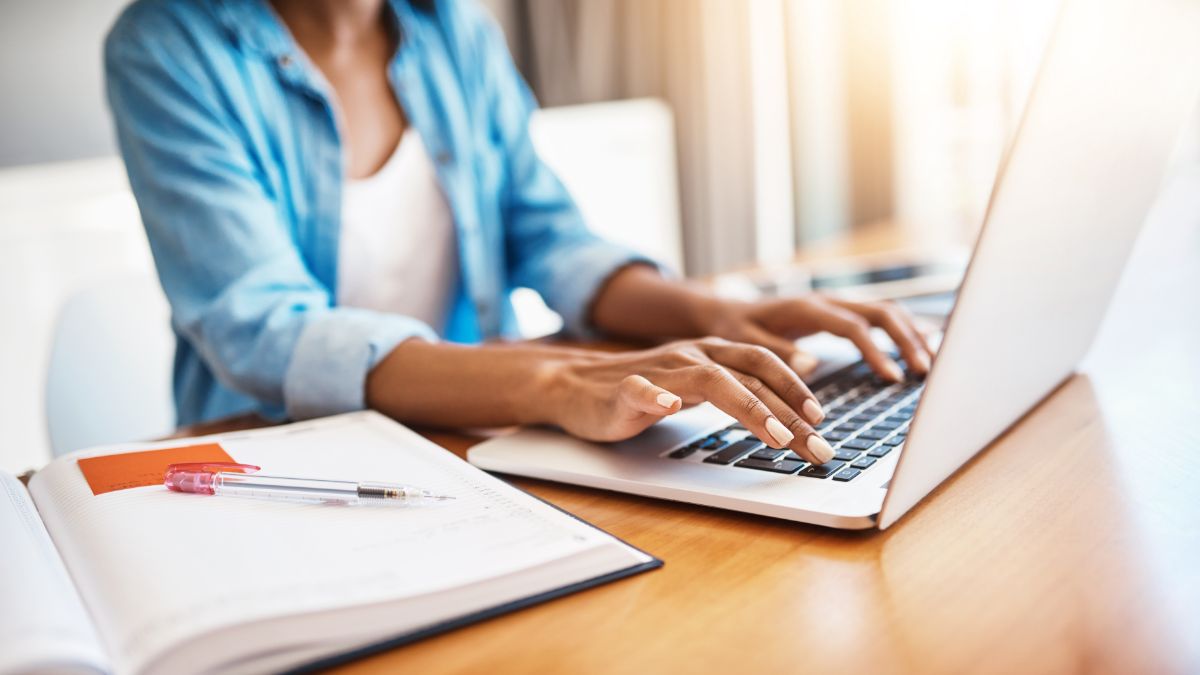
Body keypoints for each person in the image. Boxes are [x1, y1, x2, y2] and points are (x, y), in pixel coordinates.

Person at [105, 0, 933, 466]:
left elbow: (549, 236)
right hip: (273, 456)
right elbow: (263, 329)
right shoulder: (168, 48)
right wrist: (552, 381)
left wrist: (710, 311)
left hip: (459, 435)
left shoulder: (454, 34)